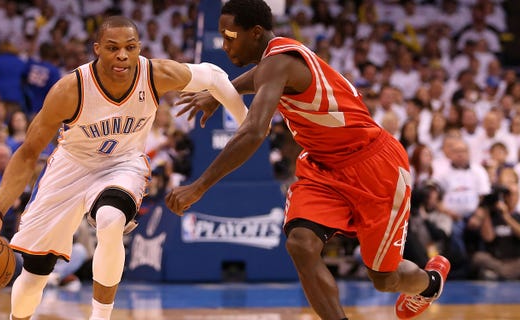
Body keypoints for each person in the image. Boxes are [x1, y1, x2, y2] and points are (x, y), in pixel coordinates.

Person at [164, 1, 450, 319]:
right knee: (300, 244)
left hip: (374, 166)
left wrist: (200, 186)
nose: (225, 43)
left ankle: (430, 284)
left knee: (384, 278)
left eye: (230, 36)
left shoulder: (280, 60)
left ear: (255, 32)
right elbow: (262, 74)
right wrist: (222, 91)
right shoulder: (275, 60)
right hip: (323, 168)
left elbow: (254, 132)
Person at [0, 16, 247, 320]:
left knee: (111, 219)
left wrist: (247, 124)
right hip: (71, 167)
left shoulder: (155, 74)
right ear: (97, 49)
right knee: (35, 275)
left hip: (123, 163)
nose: (122, 55)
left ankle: (100, 317)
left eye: (130, 47)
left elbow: (215, 75)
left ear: (139, 47)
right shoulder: (70, 89)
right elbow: (27, 153)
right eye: (113, 48)